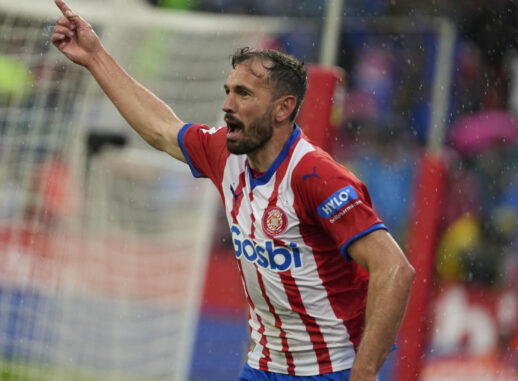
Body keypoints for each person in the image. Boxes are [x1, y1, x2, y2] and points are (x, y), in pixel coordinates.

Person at [51, 1, 415, 380]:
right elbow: (161, 128)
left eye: (243, 94)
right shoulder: (225, 153)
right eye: (228, 91)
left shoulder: (316, 176)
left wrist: (365, 373)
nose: (226, 105)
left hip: (329, 371)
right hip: (260, 369)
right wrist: (94, 56)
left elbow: (395, 269)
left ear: (282, 108)